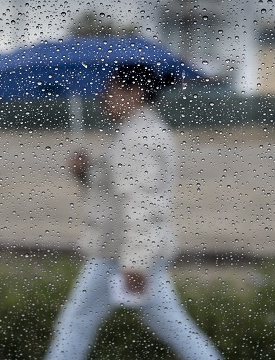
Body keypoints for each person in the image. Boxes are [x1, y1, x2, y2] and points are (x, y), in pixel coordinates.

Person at [44, 64, 223, 359]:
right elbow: (115, 191)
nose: (103, 97)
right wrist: (84, 173)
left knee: (76, 323)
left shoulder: (138, 139)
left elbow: (143, 203)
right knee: (170, 324)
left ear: (135, 93)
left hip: (121, 254)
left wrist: (135, 263)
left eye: (110, 90)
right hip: (126, 251)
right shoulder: (136, 132)